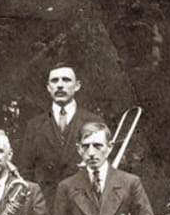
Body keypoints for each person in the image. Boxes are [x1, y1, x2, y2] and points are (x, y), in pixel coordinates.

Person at [49, 121, 157, 215]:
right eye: (85, 146)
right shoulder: (67, 187)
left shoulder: (130, 183)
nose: (91, 153)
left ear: (110, 147)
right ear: (79, 149)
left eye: (98, 146)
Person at [17, 64, 104, 204]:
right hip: (45, 206)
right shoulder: (34, 125)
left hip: (83, 204)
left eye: (66, 80)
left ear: (77, 86)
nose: (60, 85)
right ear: (48, 87)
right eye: (54, 80)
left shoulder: (93, 121)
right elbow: (26, 171)